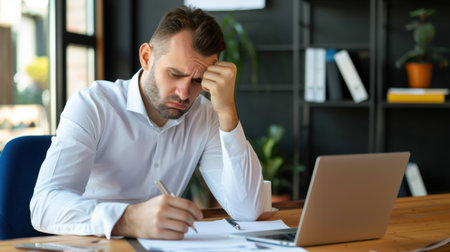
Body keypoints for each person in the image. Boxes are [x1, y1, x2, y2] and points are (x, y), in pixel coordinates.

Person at [30, 6, 265, 240]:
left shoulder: (205, 115)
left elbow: (247, 211)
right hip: (97, 244)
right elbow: (44, 205)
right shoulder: (93, 105)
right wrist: (127, 219)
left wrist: (228, 113)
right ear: (146, 57)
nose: (184, 93)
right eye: (174, 74)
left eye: (197, 80)